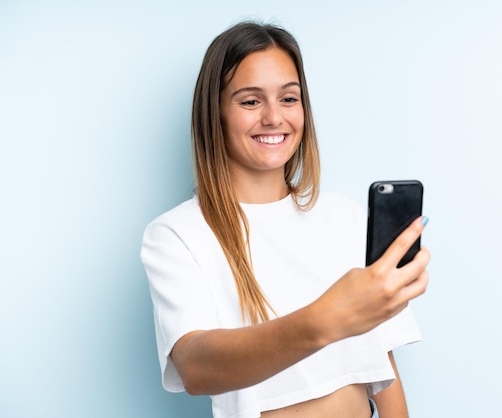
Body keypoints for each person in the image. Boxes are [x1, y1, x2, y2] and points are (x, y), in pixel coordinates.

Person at [140, 21, 430, 418]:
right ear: (215, 114)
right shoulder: (178, 235)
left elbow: (383, 365)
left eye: (289, 99)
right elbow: (195, 366)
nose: (274, 117)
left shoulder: (343, 218)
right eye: (250, 101)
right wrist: (326, 317)